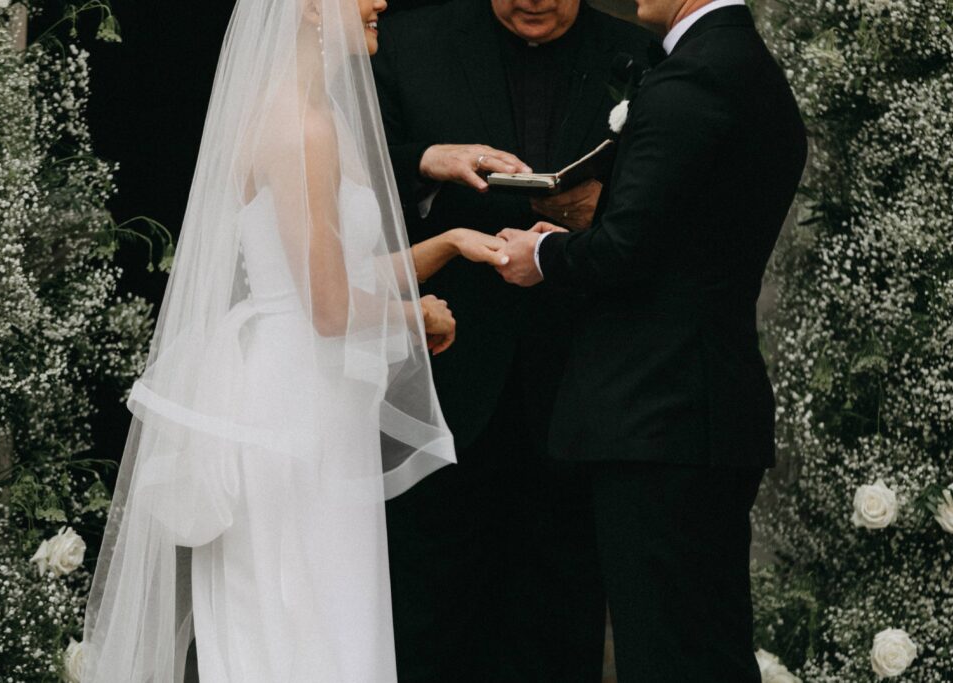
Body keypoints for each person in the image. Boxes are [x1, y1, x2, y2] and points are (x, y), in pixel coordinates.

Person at [80, 0, 507, 680]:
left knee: (321, 613)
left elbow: (340, 271)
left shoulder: (317, 114)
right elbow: (332, 307)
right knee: (300, 623)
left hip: (315, 403)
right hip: (291, 414)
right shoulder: (302, 126)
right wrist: (417, 317)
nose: (380, 4)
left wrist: (453, 245)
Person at [495, 0, 808, 680]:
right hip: (703, 405)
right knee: (705, 649)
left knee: (667, 657)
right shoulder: (749, 68)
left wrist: (542, 257)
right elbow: (684, 237)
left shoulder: (692, 80)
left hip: (659, 416)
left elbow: (626, 250)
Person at [371, 2, 655, 680]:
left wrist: (600, 211)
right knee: (428, 616)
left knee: (560, 617)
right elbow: (339, 171)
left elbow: (667, 199)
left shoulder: (640, 55)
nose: (534, 1)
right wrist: (425, 162)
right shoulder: (412, 41)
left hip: (576, 384)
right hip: (444, 378)